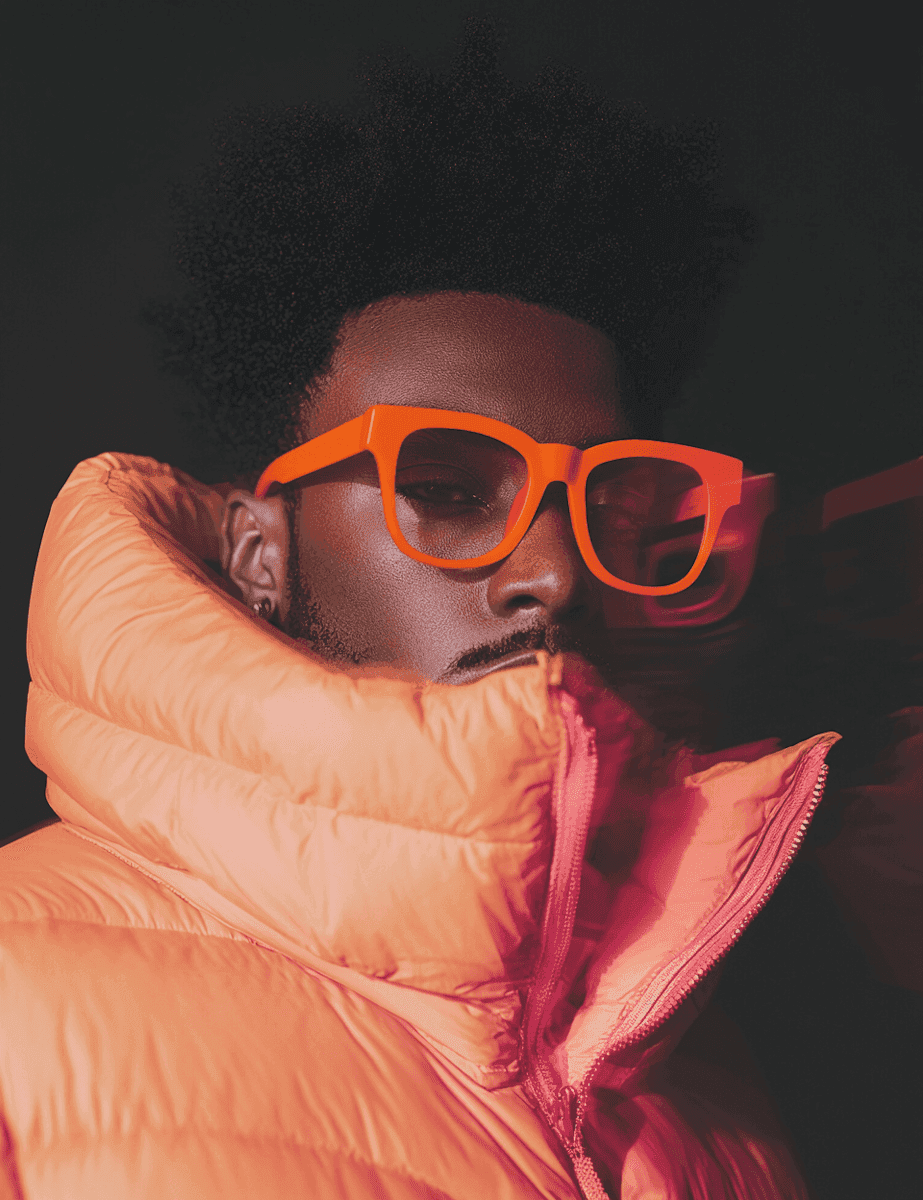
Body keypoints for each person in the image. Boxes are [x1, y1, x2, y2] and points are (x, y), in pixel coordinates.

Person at [3, 21, 842, 1199]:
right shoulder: (16, 1007)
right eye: (445, 490)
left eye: (603, 504)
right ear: (258, 553)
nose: (555, 573)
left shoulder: (695, 1051)